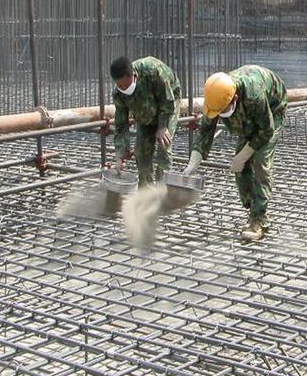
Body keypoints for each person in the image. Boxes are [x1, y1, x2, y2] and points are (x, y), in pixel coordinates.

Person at [183, 65, 287, 241]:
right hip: (249, 112)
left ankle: (258, 219)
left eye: (224, 110)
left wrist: (246, 153)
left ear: (235, 98)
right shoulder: (216, 97)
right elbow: (206, 130)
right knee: (240, 168)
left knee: (260, 162)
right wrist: (194, 161)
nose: (221, 114)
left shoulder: (253, 95)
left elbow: (266, 130)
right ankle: (251, 204)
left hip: (272, 110)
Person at [111, 56, 181, 186]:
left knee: (164, 145)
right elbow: (121, 124)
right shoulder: (118, 94)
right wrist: (120, 153)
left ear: (132, 75)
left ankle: (163, 190)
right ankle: (145, 193)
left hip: (168, 104)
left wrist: (162, 127)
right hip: (144, 112)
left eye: (124, 84)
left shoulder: (152, 70)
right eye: (118, 85)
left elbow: (167, 101)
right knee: (141, 153)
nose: (122, 88)